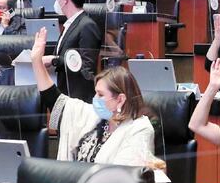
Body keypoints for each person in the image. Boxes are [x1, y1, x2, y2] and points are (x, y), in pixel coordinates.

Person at [31, 27, 154, 166]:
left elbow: (124, 176)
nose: (95, 99)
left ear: (120, 99)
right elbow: (54, 99)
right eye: (95, 92)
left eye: (100, 94)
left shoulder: (139, 129)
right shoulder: (93, 116)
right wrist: (36, 61)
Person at [43, 0, 101, 101]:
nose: (56, 1)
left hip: (78, 100)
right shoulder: (69, 24)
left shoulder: (87, 26)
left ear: (65, 0)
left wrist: (55, 60)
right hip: (64, 94)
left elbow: (87, 69)